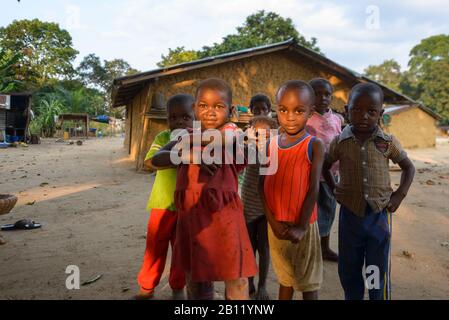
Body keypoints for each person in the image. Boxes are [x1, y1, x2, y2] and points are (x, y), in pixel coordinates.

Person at [156, 78, 258, 300]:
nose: (210, 112)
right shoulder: (184, 137)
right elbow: (155, 159)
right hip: (193, 218)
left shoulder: (232, 136)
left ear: (230, 110)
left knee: (237, 278)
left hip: (226, 218)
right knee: (198, 281)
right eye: (203, 106)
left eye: (219, 107)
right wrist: (188, 154)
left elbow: (239, 145)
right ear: (195, 108)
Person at [322, 83, 415, 300]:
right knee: (349, 265)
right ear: (346, 111)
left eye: (371, 111)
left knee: (375, 265)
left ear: (380, 114)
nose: (364, 116)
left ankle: (376, 296)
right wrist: (335, 189)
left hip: (378, 215)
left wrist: (399, 195)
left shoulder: (387, 142)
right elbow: (325, 165)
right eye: (356, 110)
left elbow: (408, 167)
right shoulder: (340, 142)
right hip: (350, 216)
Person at [259, 80, 325, 300]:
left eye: (298, 110)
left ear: (310, 112)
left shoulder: (314, 145)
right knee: (285, 279)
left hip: (303, 226)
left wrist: (302, 227)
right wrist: (273, 222)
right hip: (276, 225)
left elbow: (313, 188)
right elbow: (262, 186)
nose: (289, 117)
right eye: (283, 110)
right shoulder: (270, 144)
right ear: (276, 109)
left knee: (307, 283)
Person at [134, 94, 195, 300]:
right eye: (173, 117)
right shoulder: (162, 138)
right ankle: (146, 289)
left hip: (186, 207)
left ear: (195, 116)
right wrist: (181, 158)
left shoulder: (199, 140)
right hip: (161, 205)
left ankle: (178, 288)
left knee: (180, 252)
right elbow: (151, 161)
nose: (179, 121)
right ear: (167, 119)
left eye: (186, 116)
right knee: (154, 249)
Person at [241, 115, 278, 300]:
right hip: (248, 200)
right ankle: (249, 282)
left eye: (266, 133)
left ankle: (262, 285)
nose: (260, 137)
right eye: (256, 133)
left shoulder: (276, 149)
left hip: (266, 204)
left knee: (263, 246)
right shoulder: (247, 148)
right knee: (249, 245)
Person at [306, 78, 342, 262]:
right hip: (311, 176)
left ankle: (325, 248)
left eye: (327, 94)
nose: (322, 98)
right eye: (317, 94)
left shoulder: (336, 119)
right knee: (311, 214)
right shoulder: (306, 118)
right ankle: (310, 249)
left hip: (332, 175)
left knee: (328, 212)